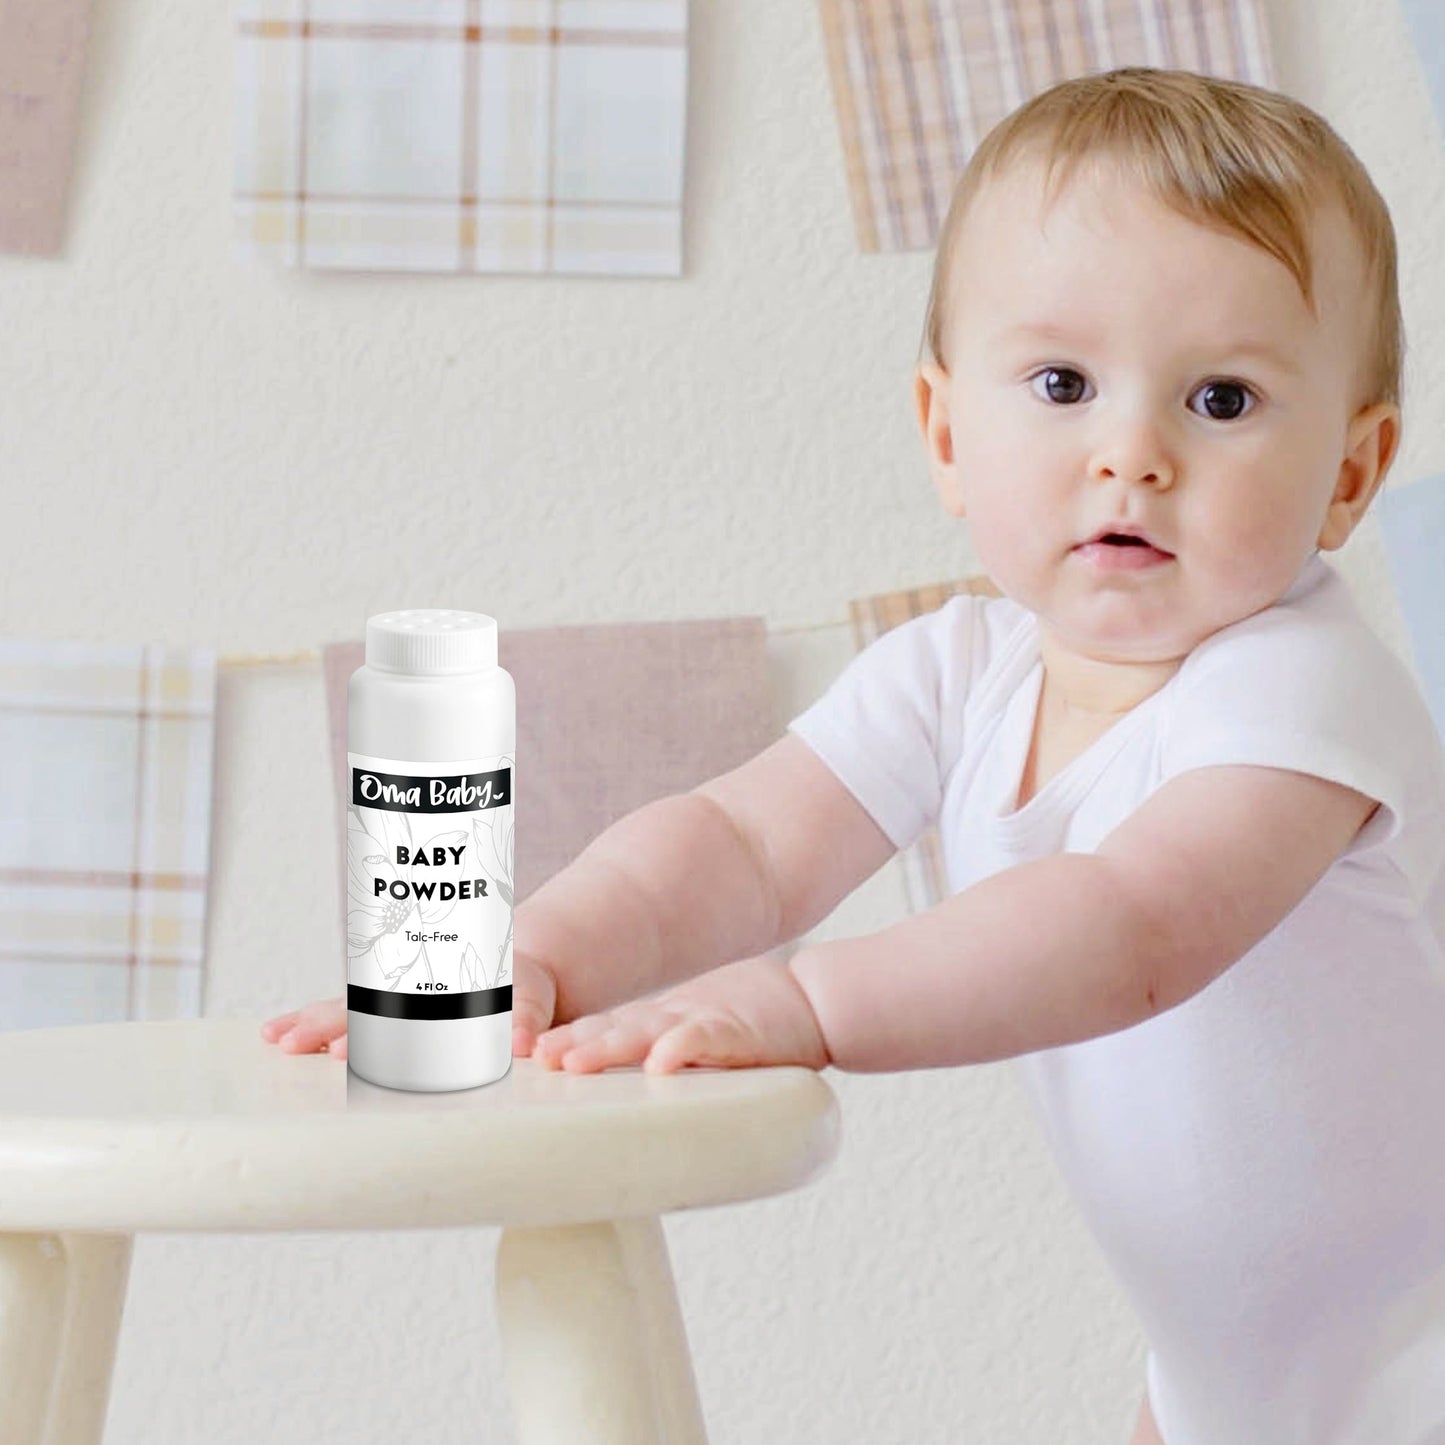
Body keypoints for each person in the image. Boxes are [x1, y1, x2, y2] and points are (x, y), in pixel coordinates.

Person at [263, 68, 1445, 1444]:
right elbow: (741, 843)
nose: (1131, 454)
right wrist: (537, 954)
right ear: (946, 434)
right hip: (1237, 1377)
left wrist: (805, 1003)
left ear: (1350, 473)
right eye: (1062, 384)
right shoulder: (960, 671)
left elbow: (1132, 929)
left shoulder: (1301, 691)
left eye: (1223, 400)